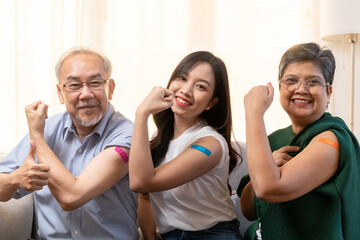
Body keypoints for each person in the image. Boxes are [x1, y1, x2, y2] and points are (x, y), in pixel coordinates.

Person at [0, 47, 139, 239]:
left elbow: (72, 197)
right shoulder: (47, 128)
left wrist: (37, 136)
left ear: (110, 88)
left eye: (95, 82)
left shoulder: (128, 135)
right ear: (60, 92)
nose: (86, 94)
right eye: (74, 85)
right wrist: (15, 178)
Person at [238, 42, 360, 239]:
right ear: (280, 87)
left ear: (328, 93)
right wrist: (269, 163)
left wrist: (254, 113)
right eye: (291, 80)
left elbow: (268, 189)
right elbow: (248, 210)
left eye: (313, 82)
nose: (301, 89)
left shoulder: (332, 140)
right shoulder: (275, 139)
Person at [129, 51, 242, 240]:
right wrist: (149, 237)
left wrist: (142, 113)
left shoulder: (210, 144)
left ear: (211, 103)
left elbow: (141, 182)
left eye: (200, 87)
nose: (186, 90)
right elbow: (144, 195)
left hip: (215, 234)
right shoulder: (160, 138)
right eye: (182, 78)